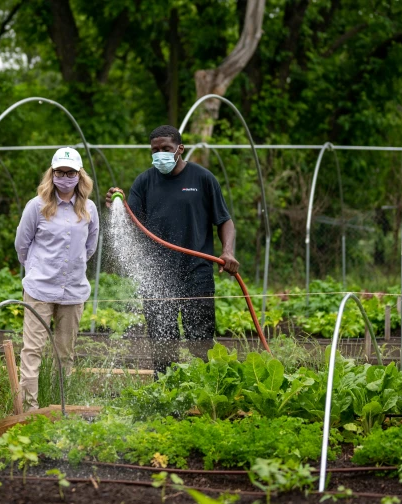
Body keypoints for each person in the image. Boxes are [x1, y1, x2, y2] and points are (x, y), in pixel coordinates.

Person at [105, 125, 239, 376]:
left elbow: (224, 220)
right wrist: (118, 203)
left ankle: (206, 396)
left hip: (196, 272)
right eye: (155, 150)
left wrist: (228, 251)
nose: (160, 155)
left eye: (166, 149)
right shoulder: (144, 182)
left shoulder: (202, 178)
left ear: (180, 148)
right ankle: (166, 399)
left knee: (201, 341)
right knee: (162, 343)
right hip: (157, 276)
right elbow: (133, 222)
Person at [15, 147, 99, 411]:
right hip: (40, 289)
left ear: (79, 175)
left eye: (70, 172)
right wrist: (38, 269)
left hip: (73, 291)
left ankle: (60, 407)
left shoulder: (88, 209)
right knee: (32, 350)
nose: (65, 177)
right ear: (52, 174)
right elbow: (22, 244)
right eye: (60, 172)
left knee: (65, 353)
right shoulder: (37, 207)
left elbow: (90, 246)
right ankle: (29, 409)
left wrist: (71, 267)